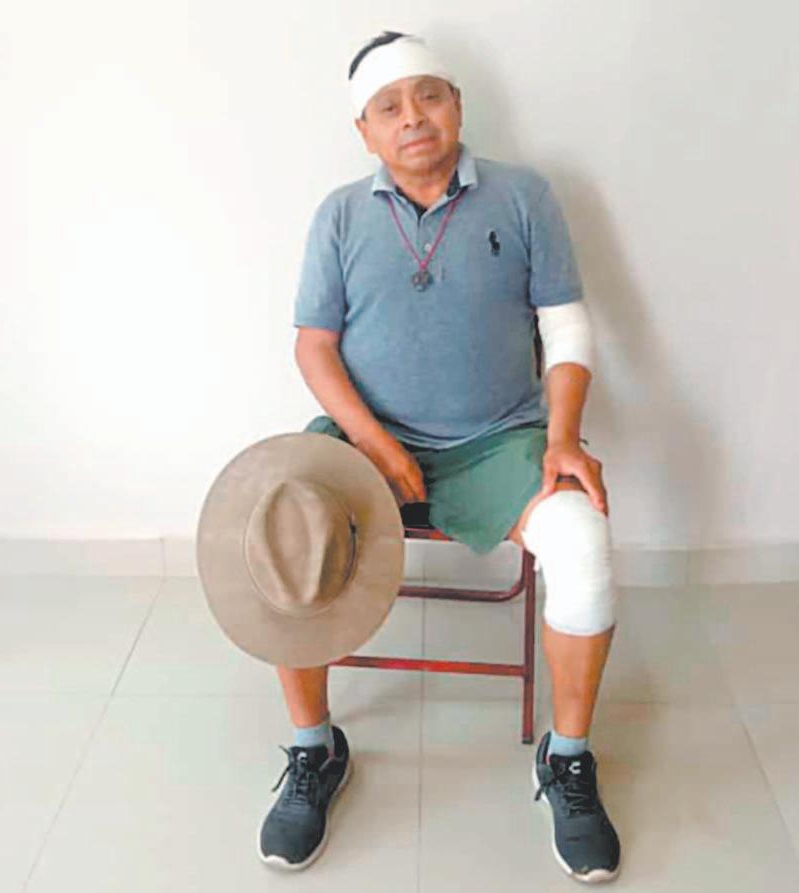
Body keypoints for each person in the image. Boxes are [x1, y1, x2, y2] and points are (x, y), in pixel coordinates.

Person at [259, 30, 621, 883]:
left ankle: (566, 757)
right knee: (283, 532)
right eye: (388, 106)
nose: (412, 117)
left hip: (501, 438)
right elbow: (314, 346)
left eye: (428, 95)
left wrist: (563, 436)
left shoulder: (523, 195)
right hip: (367, 440)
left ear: (456, 104)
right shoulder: (339, 214)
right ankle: (315, 748)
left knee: (582, 541)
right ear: (364, 130)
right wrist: (376, 443)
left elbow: (564, 323)